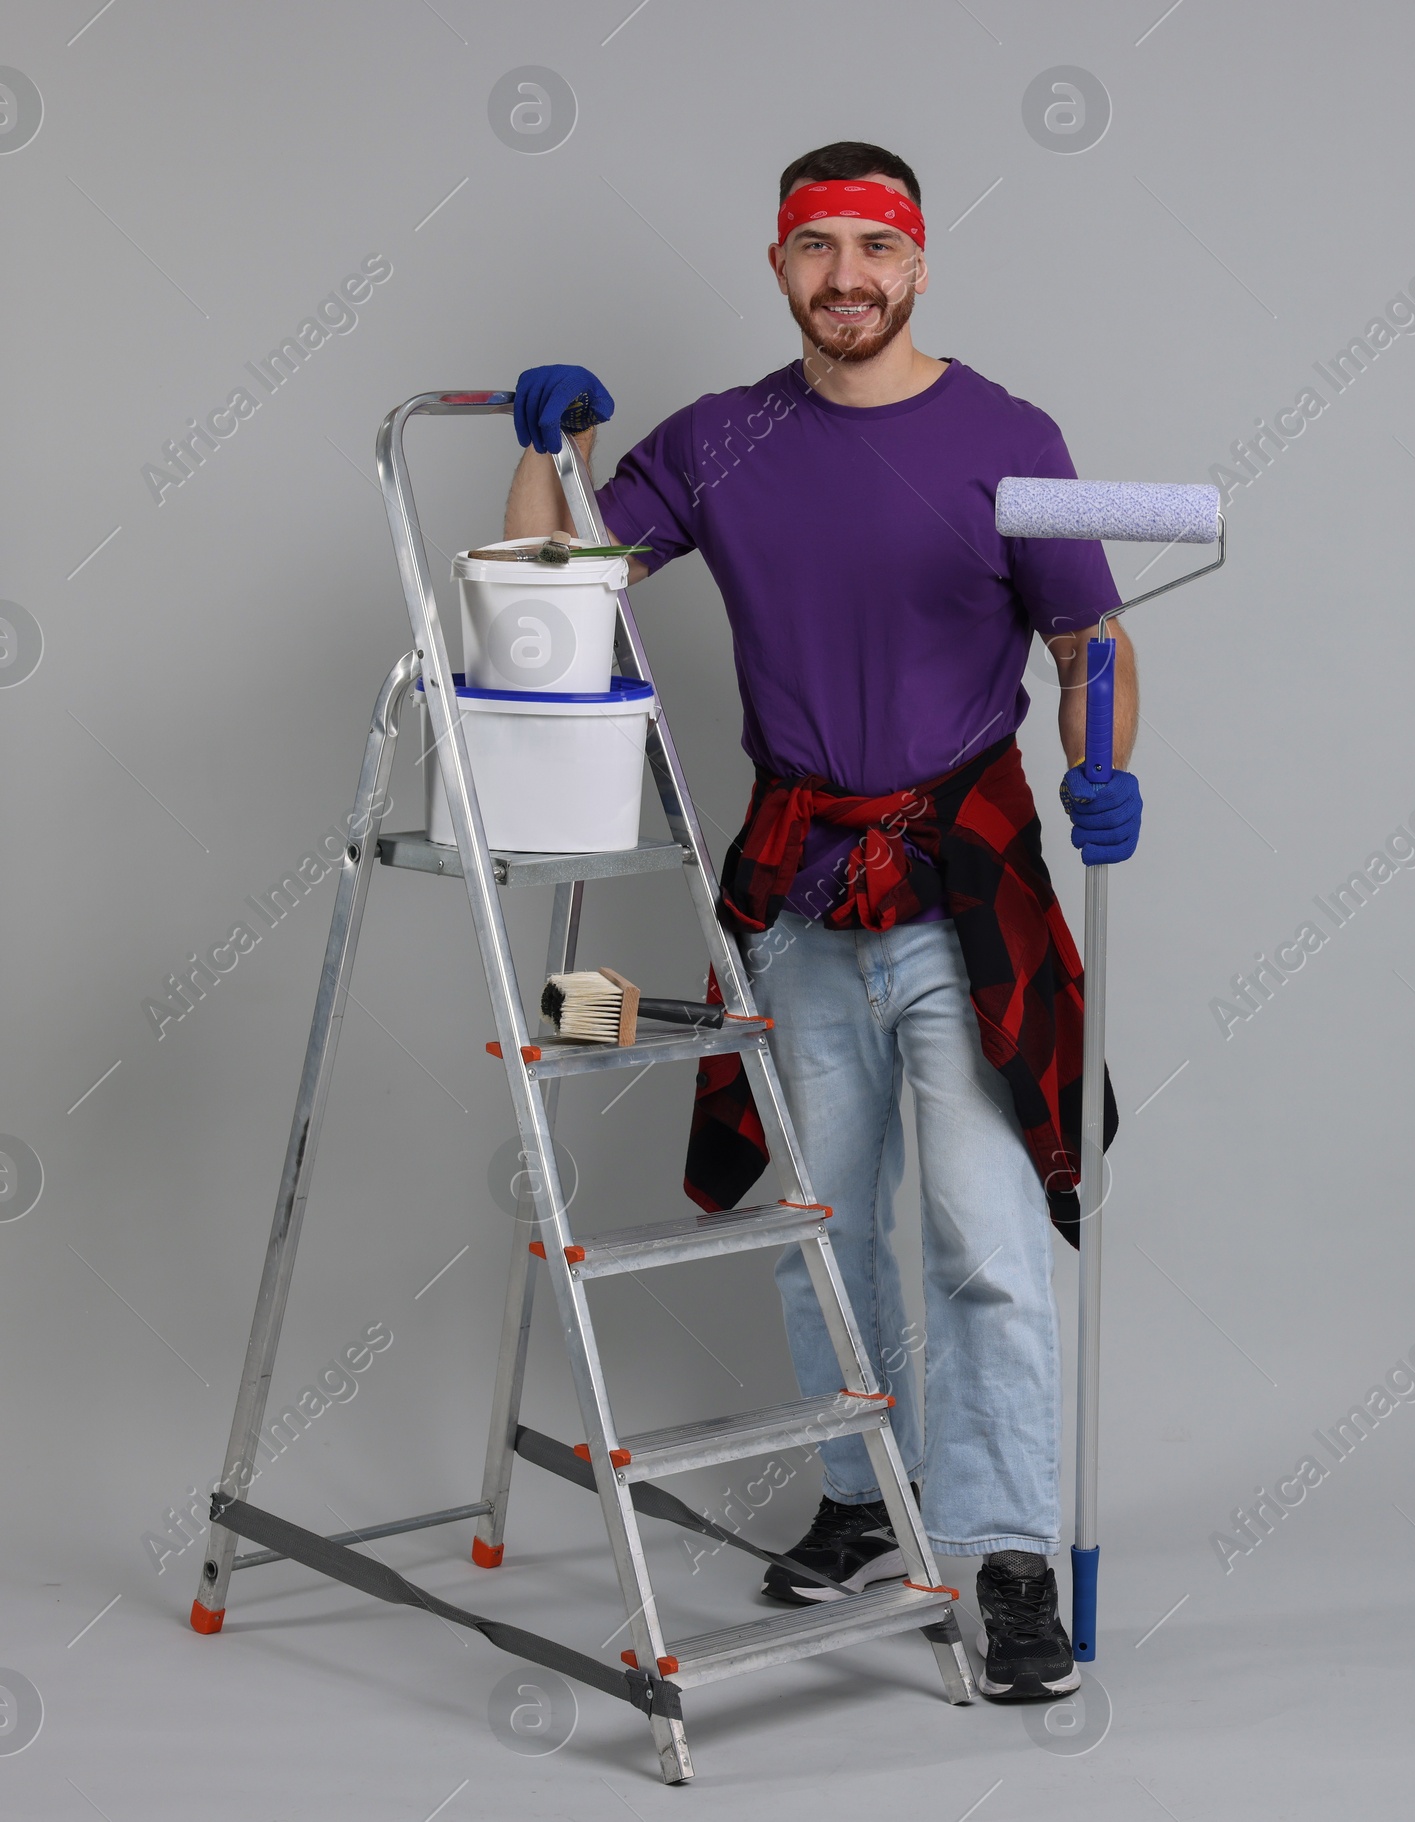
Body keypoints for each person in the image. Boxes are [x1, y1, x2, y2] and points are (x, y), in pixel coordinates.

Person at [502, 140, 1141, 1702]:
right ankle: (865, 1493)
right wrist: (544, 445)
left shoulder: (1010, 437)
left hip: (960, 888)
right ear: (778, 264)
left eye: (875, 245)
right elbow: (547, 588)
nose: (845, 275)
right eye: (815, 247)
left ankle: (1001, 1557)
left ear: (919, 263)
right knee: (821, 1230)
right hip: (793, 889)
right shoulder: (721, 440)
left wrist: (1103, 763)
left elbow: (1091, 634)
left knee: (985, 1237)